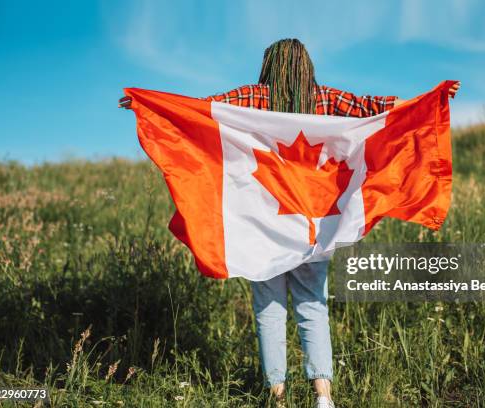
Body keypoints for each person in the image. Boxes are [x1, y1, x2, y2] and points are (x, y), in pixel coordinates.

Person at [120, 38, 460, 408]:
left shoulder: (251, 98)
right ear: (306, 67)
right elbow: (376, 108)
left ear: (270, 66)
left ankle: (277, 397)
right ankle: (322, 396)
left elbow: (200, 111)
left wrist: (146, 105)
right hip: (314, 228)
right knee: (312, 306)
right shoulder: (326, 99)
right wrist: (433, 99)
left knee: (269, 310)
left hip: (263, 230)